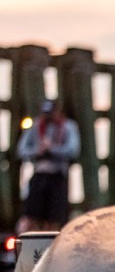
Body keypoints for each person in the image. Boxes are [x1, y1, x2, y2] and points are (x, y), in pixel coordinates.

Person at [15, 99, 81, 234]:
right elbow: (21, 150)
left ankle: (50, 240)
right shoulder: (36, 126)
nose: (48, 117)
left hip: (57, 175)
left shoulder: (68, 126)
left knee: (55, 217)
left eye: (51, 113)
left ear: (58, 111)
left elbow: (73, 150)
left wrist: (53, 149)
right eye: (46, 114)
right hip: (40, 174)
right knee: (31, 215)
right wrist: (37, 151)